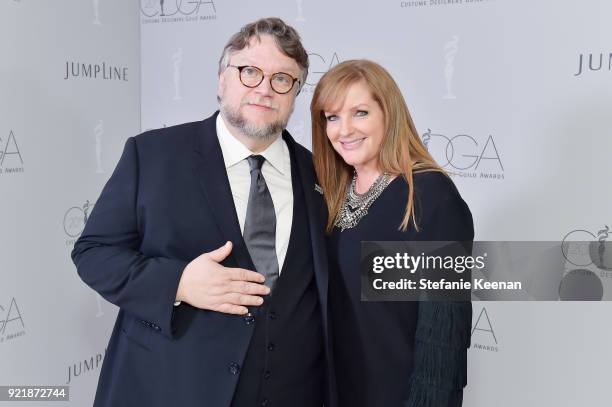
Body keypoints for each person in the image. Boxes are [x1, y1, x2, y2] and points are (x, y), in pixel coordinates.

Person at [72, 18, 333, 407]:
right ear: (221, 80)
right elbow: (93, 253)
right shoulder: (153, 155)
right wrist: (178, 283)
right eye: (250, 72)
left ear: (295, 94)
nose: (264, 88)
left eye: (282, 79)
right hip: (169, 390)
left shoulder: (321, 174)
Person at [311, 59, 473, 407]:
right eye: (332, 117)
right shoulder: (329, 193)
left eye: (360, 113)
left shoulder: (430, 196)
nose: (344, 130)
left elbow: (442, 340)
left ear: (389, 113)